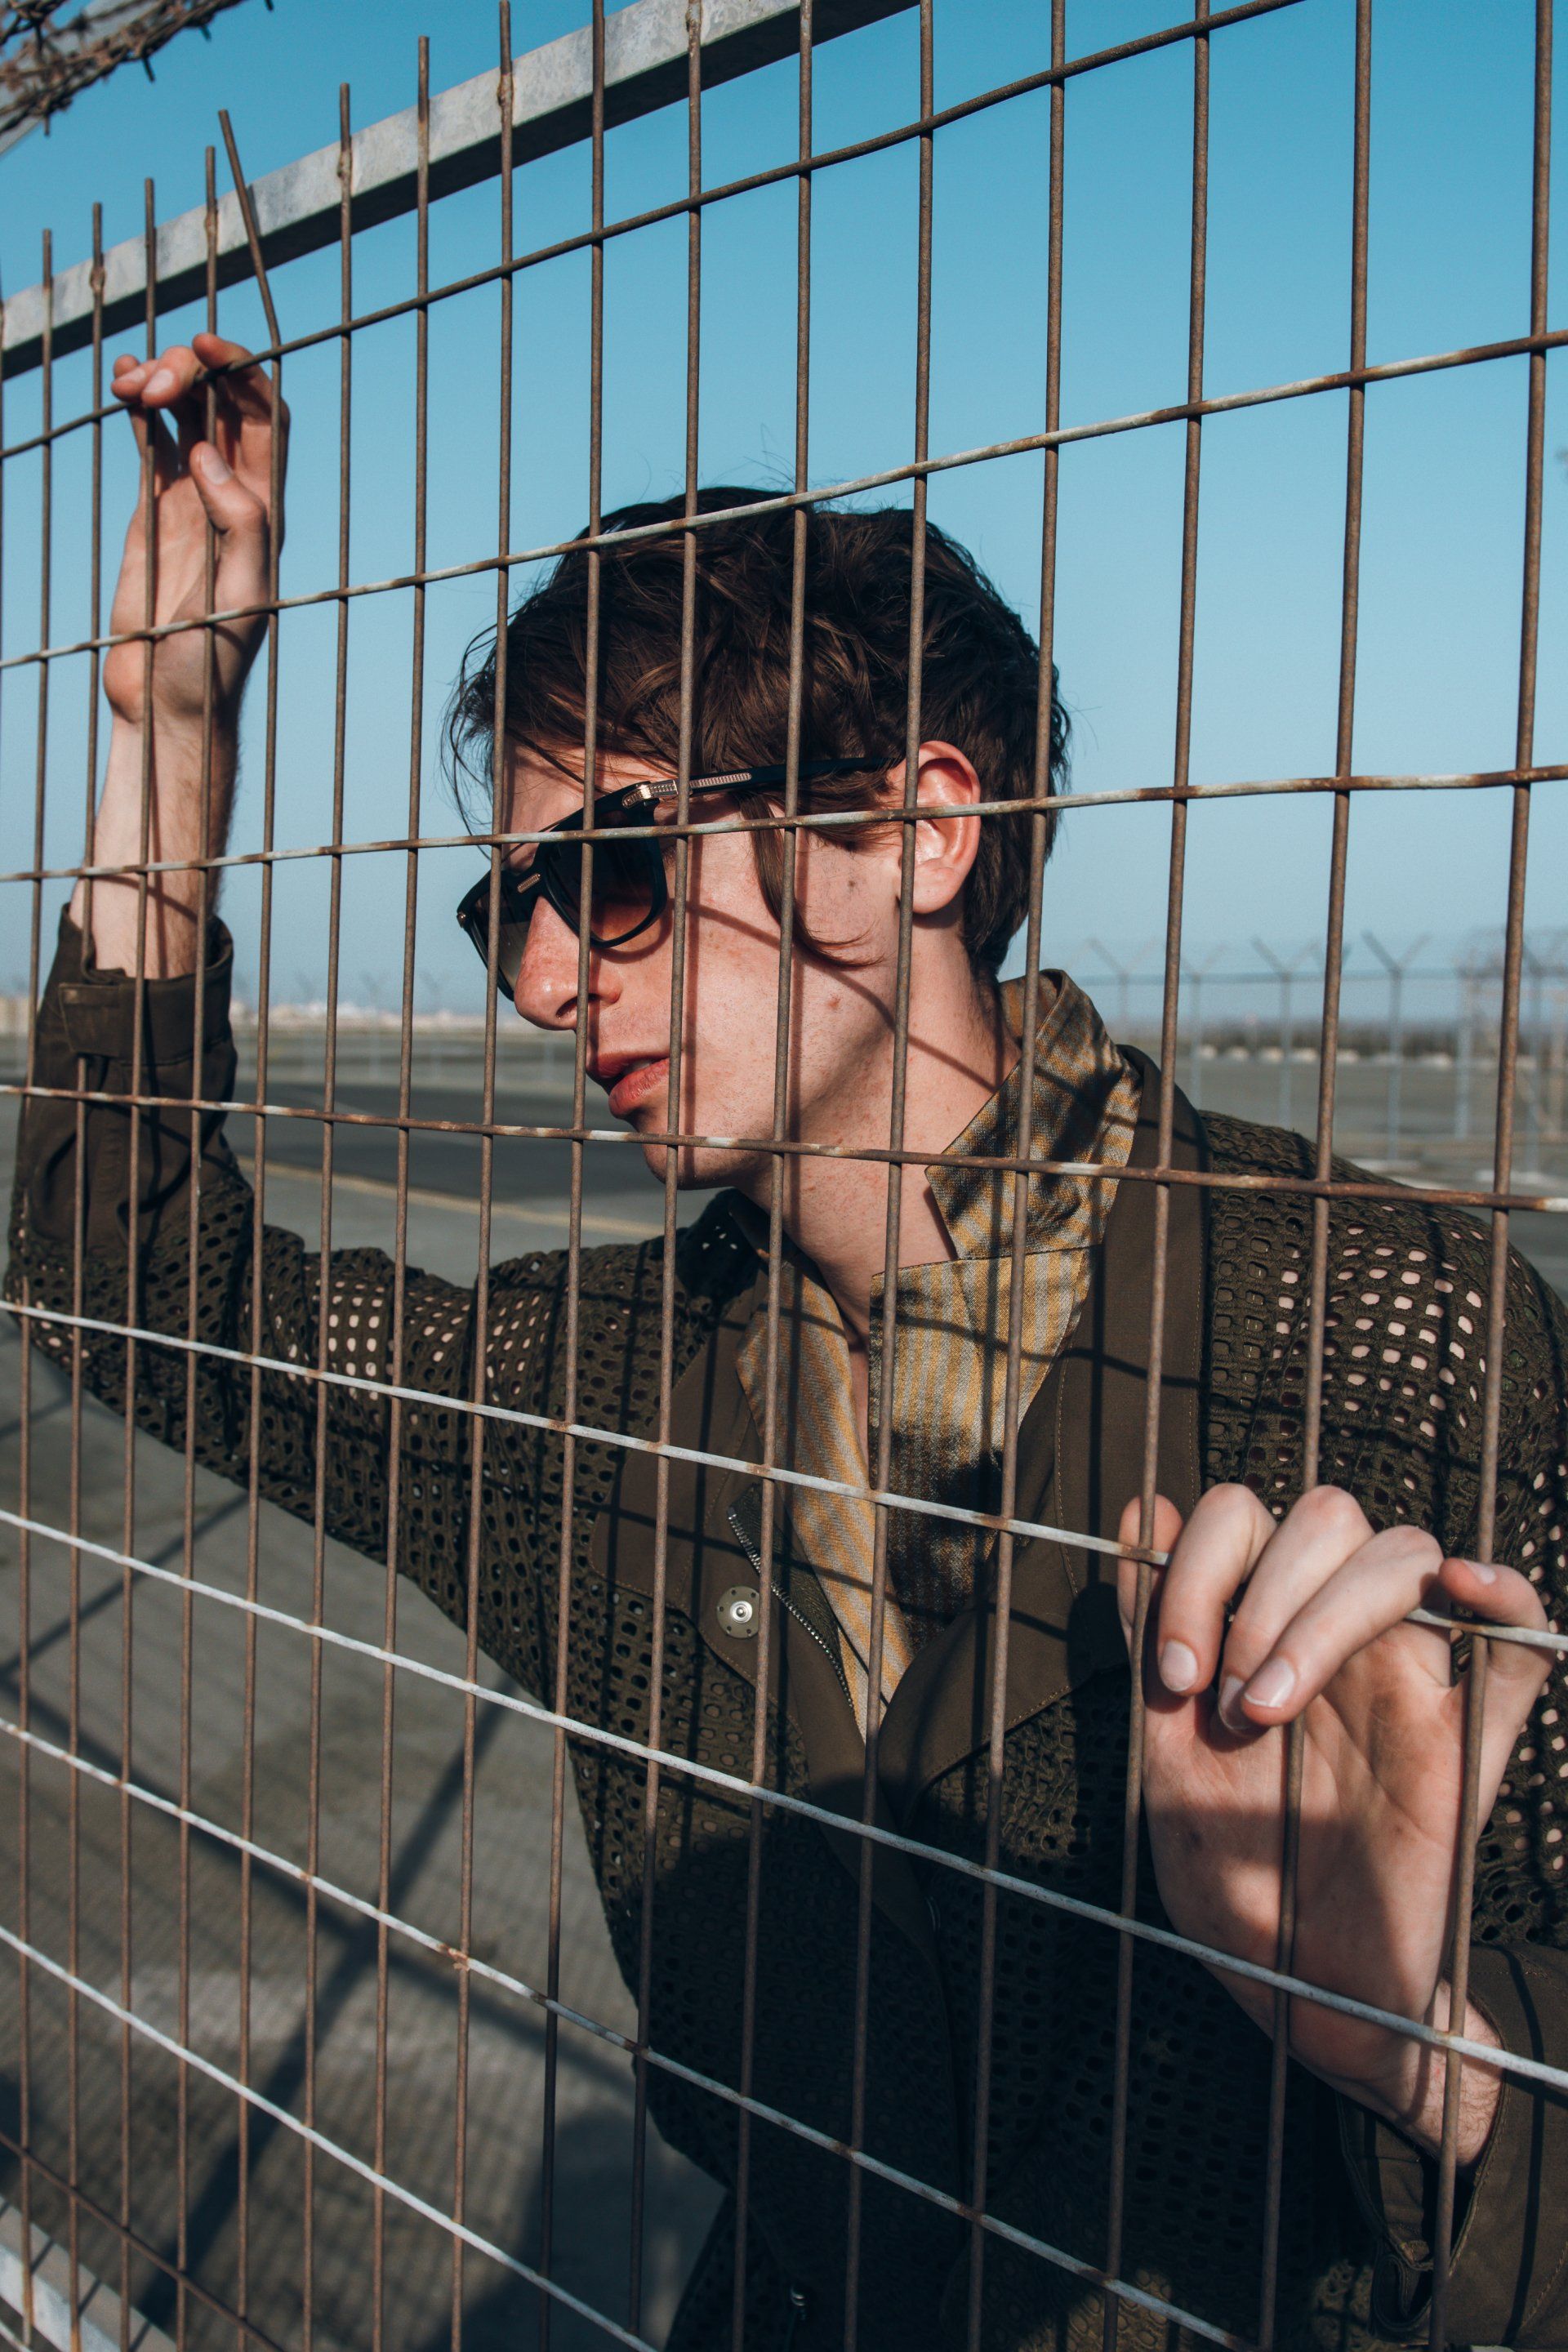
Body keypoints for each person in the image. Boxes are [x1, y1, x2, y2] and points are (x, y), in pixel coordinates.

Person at [8, 333, 1568, 2352]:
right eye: (513, 913)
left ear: (917, 832)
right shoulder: (601, 1394)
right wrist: (166, 738)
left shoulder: (1392, 1328)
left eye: (617, 875)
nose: (550, 981)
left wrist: (1421, 2050)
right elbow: (138, 1296)